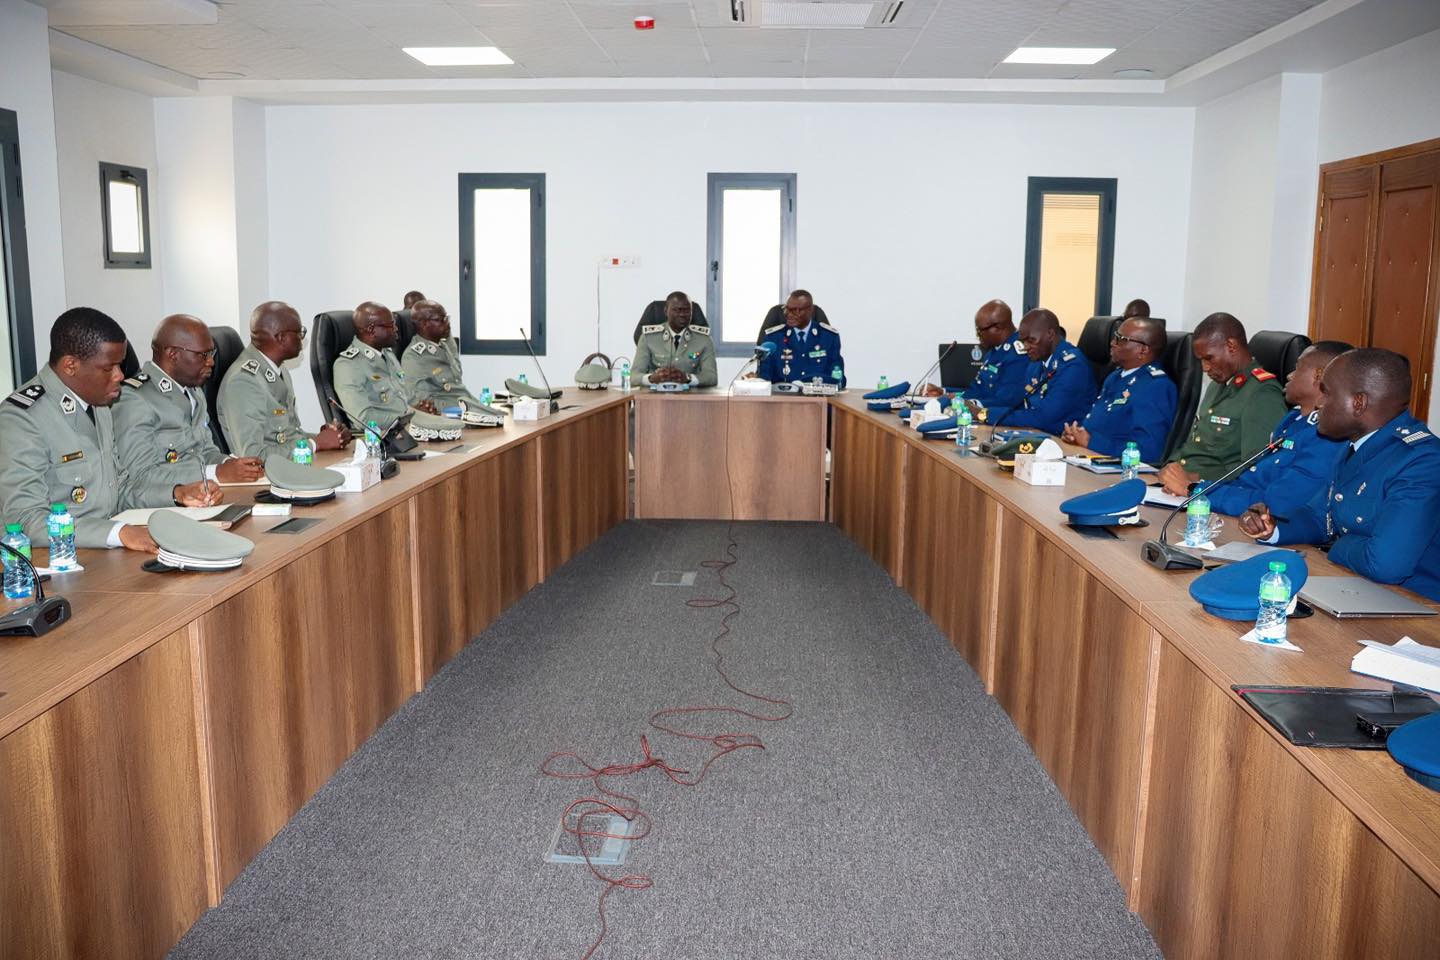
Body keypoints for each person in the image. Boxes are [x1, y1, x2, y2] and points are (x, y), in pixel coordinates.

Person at [0, 308, 220, 553]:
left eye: (120, 365)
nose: (120, 376)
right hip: (58, 557)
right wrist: (119, 532)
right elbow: (26, 520)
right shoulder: (21, 418)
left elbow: (119, 489)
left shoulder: (98, 404)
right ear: (71, 365)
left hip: (107, 547)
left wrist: (177, 493)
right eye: (109, 368)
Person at [1239, 348, 1440, 602]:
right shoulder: (1355, 444)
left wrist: (1336, 545)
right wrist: (1272, 529)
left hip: (1419, 607)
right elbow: (1318, 515)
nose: (1320, 402)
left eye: (1328, 392)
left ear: (1358, 403)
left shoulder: (1421, 460)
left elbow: (1385, 565)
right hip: (1362, 587)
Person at [112, 314, 267, 487]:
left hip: (200, 494)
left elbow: (206, 451)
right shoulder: (134, 399)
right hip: (166, 503)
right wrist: (215, 473)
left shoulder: (193, 391)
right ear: (173, 354)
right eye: (203, 355)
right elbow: (139, 476)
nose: (211, 362)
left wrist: (230, 464)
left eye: (212, 353)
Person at [1205, 340, 1351, 517]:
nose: (1290, 375)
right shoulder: (1292, 420)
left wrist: (1200, 492)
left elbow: (1278, 503)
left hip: (1273, 525)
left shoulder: (1326, 436)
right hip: (1241, 512)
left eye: (1297, 368)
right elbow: (1250, 480)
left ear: (1318, 376)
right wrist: (1201, 489)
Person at [1156, 312, 1288, 494]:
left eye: (1209, 358)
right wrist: (1171, 466)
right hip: (1183, 489)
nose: (1204, 368)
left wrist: (1196, 481)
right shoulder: (1217, 386)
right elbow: (1196, 442)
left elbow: (1256, 466)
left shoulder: (1262, 393)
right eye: (1200, 360)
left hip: (1212, 493)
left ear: (1231, 346)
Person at [219, 301, 352, 460]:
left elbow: (289, 435)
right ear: (281, 337)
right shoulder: (243, 382)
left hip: (290, 466)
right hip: (269, 478)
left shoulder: (279, 370)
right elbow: (252, 455)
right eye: (299, 332)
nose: (302, 338)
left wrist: (330, 436)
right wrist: (315, 444)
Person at [1061, 316, 1175, 464]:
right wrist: (1076, 435)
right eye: (1115, 337)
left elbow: (1149, 450)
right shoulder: (1115, 377)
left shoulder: (1156, 386)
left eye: (1121, 339)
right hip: (1089, 457)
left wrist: (1092, 442)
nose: (1112, 343)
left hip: (1119, 469)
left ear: (1143, 350)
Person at [332, 301, 458, 432]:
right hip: (383, 438)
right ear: (371, 330)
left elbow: (401, 398)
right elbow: (363, 419)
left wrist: (417, 409)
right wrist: (409, 417)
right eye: (391, 325)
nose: (396, 329)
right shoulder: (348, 366)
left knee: (458, 429)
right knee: (454, 432)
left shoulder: (387, 354)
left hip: (406, 429)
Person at [987, 308, 1095, 434]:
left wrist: (987, 414)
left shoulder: (1073, 366)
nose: (1026, 347)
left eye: (1031, 340)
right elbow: (1022, 405)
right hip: (1037, 433)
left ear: (1050, 334)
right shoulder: (1037, 361)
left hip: (1062, 441)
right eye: (1023, 342)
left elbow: (1044, 417)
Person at [400, 299, 500, 411]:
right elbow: (417, 401)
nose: (447, 322)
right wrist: (462, 408)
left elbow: (457, 376)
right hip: (451, 413)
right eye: (441, 320)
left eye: (447, 318)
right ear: (424, 324)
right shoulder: (414, 357)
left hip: (467, 404)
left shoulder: (443, 344)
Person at [948, 300, 1029, 412]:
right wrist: (948, 395)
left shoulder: (1018, 355)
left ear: (998, 327)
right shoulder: (995, 349)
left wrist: (974, 404)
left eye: (980, 331)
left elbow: (1008, 401)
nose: (978, 336)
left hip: (1005, 421)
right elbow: (978, 389)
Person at [756, 290, 845, 386]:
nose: (789, 314)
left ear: (810, 311)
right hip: (784, 397)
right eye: (787, 309)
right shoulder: (773, 338)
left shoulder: (829, 337)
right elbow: (764, 378)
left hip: (817, 397)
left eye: (795, 310)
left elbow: (837, 378)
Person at [633, 292, 717, 388]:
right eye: (676, 310)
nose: (682, 314)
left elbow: (712, 377)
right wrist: (652, 378)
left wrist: (688, 378)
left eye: (687, 310)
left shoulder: (704, 339)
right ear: (665, 311)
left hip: (691, 396)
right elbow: (634, 376)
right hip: (655, 396)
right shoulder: (648, 338)